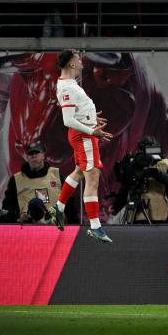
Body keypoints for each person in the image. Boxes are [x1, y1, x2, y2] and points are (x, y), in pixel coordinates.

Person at [51, 49, 114, 243]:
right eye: (79, 61)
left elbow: (76, 112)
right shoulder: (68, 87)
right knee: (92, 177)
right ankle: (95, 226)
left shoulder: (67, 84)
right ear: (71, 64)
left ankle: (59, 207)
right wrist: (92, 130)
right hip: (84, 135)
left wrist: (91, 118)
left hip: (83, 132)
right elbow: (68, 120)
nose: (81, 64)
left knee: (79, 171)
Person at [113, 135, 168, 224]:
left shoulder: (165, 164)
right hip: (137, 216)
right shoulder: (134, 164)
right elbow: (126, 186)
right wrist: (116, 206)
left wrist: (157, 174)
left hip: (164, 218)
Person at [1, 142, 79, 224]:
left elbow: (69, 204)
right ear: (26, 157)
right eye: (30, 153)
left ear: (43, 155)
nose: (33, 155)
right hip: (25, 228)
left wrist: (75, 225)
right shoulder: (16, 180)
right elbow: (8, 206)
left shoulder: (56, 176)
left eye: (37, 152)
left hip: (54, 227)